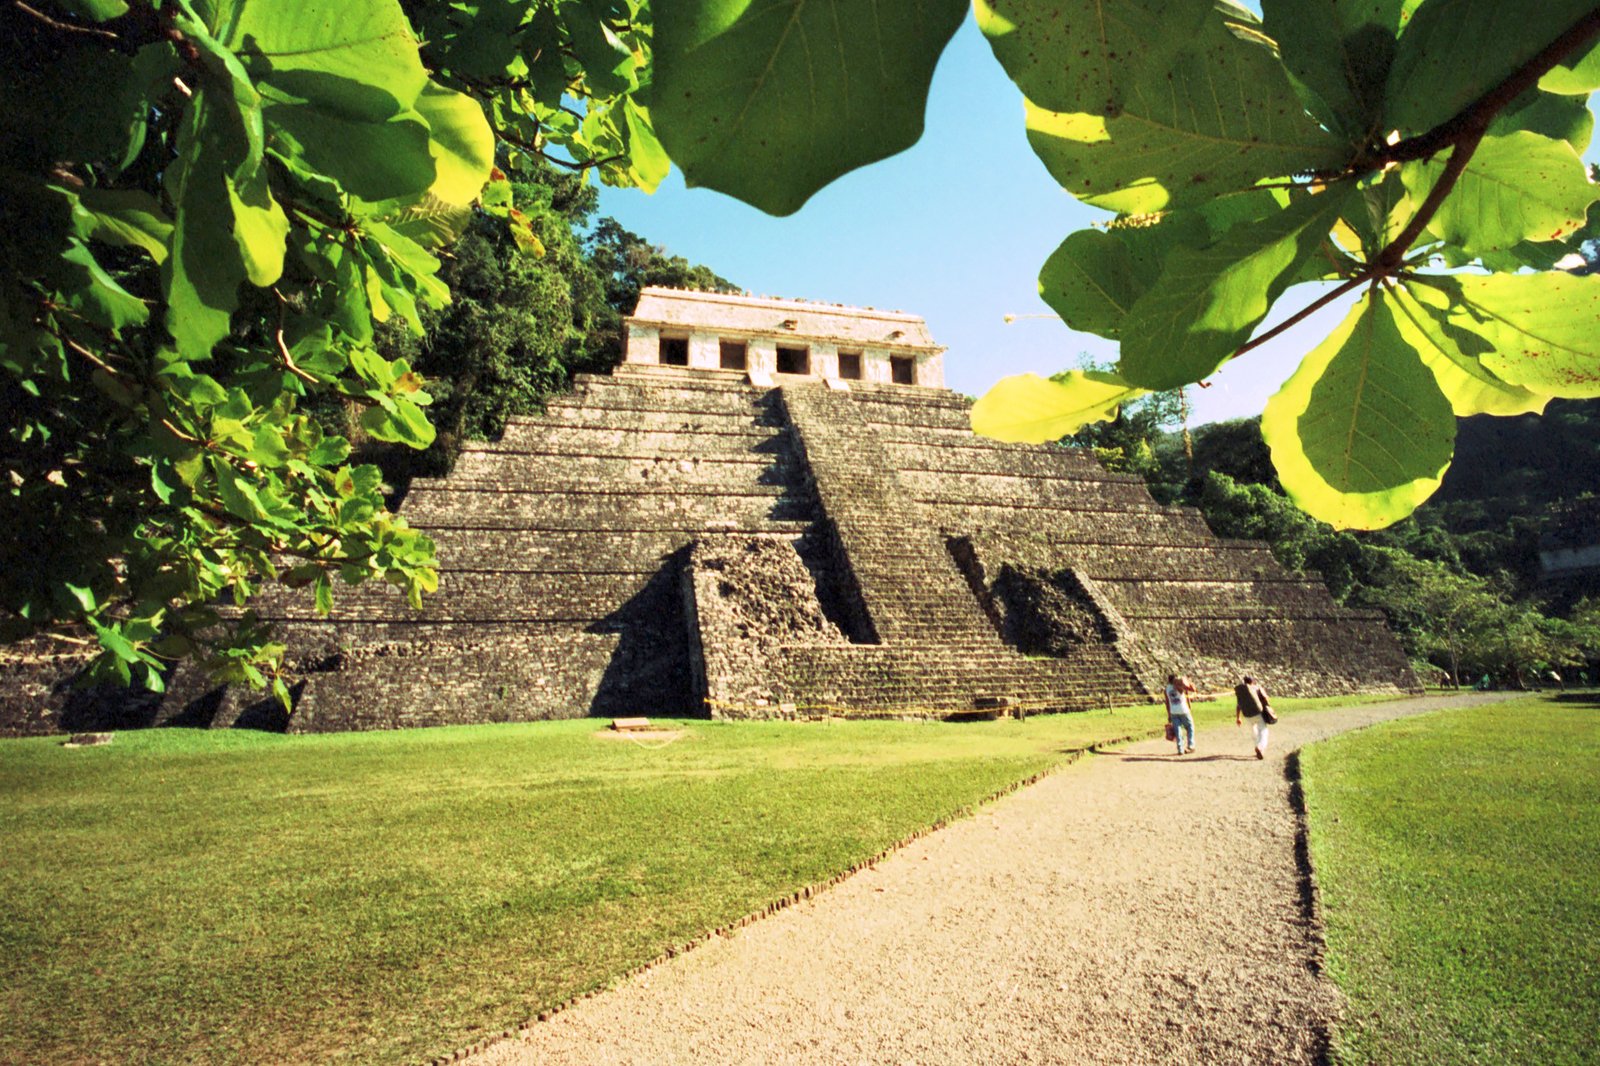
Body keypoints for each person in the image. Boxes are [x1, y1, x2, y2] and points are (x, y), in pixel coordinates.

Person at [1234, 675, 1273, 760]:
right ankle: (1260, 747)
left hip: (1247, 715)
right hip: (1257, 713)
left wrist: (1238, 717)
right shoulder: (1256, 688)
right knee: (1263, 730)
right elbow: (1265, 698)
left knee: (1253, 731)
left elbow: (1238, 705)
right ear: (1252, 681)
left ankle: (1257, 746)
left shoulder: (1241, 692)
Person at [1165, 674, 1197, 755]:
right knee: (1190, 727)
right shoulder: (1179, 686)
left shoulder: (1166, 689)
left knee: (1178, 730)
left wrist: (1169, 714)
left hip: (1173, 711)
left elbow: (1167, 703)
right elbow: (1189, 692)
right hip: (1183, 710)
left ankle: (1180, 749)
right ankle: (1191, 745)